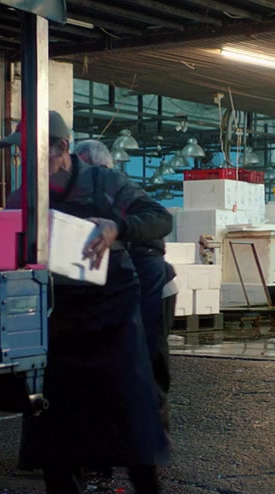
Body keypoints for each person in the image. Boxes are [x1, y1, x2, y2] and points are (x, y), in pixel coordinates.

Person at [0, 111, 179, 494]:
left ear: (62, 149)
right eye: (20, 154)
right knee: (54, 416)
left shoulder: (105, 184)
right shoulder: (22, 198)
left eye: (32, 152)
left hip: (112, 312)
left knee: (131, 408)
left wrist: (118, 227)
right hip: (57, 317)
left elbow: (160, 217)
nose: (24, 162)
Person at [74, 137, 178, 434]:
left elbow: (160, 220)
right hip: (118, 286)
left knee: (148, 357)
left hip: (152, 284)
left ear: (100, 167)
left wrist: (119, 230)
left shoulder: (117, 190)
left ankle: (155, 436)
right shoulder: (87, 196)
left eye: (83, 168)